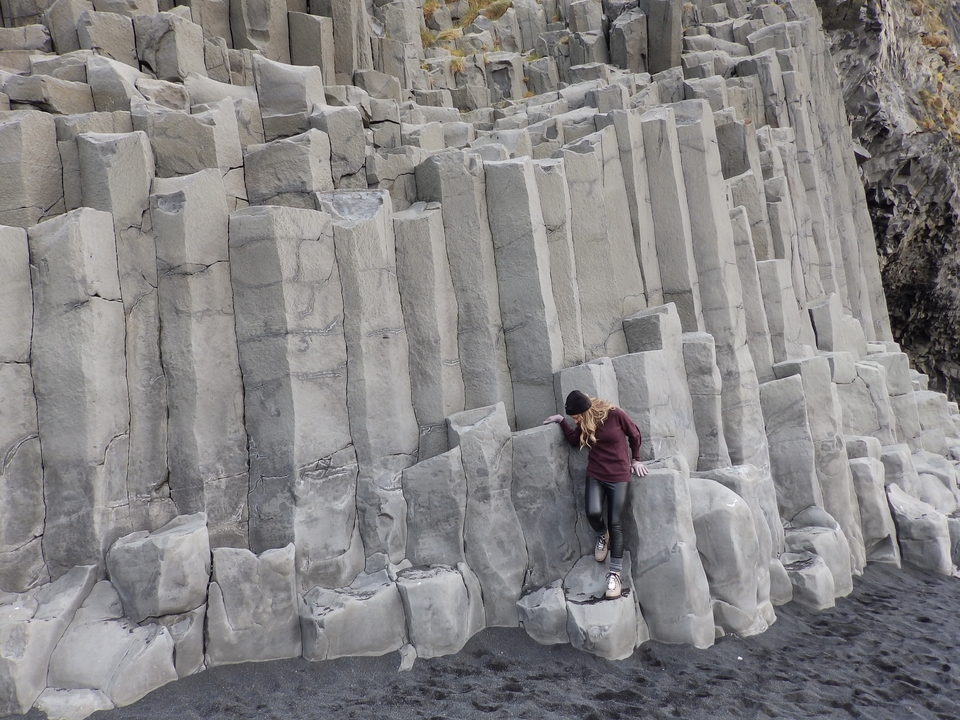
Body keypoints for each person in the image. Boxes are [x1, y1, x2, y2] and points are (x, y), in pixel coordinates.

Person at [544, 390, 647, 599]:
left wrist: (636, 459)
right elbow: (574, 441)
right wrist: (562, 421)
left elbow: (634, 434)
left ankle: (615, 575)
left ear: (587, 410)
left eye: (576, 417)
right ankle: (602, 534)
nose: (576, 420)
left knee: (615, 523)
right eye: (573, 417)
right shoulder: (583, 421)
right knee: (592, 512)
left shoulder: (615, 414)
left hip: (618, 476)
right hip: (596, 474)